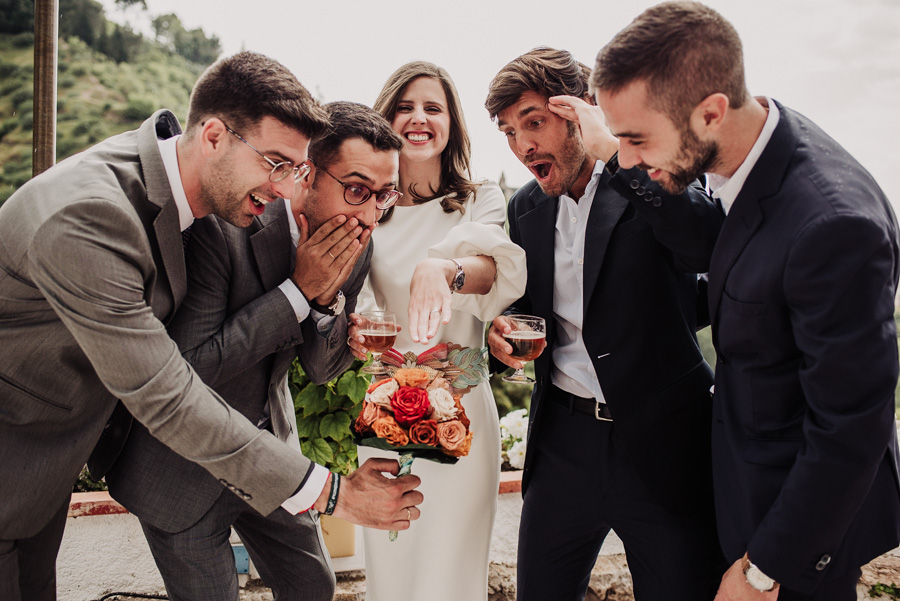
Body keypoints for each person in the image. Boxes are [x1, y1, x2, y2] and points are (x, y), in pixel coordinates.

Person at [0, 52, 420, 601]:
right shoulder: (91, 217)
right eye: (277, 163)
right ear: (216, 136)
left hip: (45, 467)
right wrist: (333, 491)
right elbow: (170, 392)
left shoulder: (178, 194)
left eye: (295, 168)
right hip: (23, 455)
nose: (286, 187)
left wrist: (320, 305)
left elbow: (316, 364)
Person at [590, 3, 900, 599]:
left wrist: (765, 568)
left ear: (711, 111)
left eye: (635, 138)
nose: (624, 159)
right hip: (745, 496)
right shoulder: (753, 148)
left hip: (801, 540)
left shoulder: (832, 225)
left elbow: (849, 428)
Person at [103, 101, 408, 601]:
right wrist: (298, 292)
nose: (371, 215)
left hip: (271, 454)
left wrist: (328, 305)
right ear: (306, 174)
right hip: (181, 466)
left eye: (385, 195)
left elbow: (321, 364)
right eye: (357, 190)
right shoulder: (222, 225)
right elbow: (191, 368)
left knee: (313, 585)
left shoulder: (356, 242)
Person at [484, 47, 726, 601]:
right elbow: (521, 309)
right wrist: (500, 338)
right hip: (563, 443)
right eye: (509, 132)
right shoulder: (524, 208)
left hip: (662, 447)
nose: (523, 146)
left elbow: (704, 243)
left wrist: (619, 156)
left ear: (581, 111)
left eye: (535, 122)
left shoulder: (652, 171)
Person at [345, 61, 526, 601]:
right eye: (404, 106)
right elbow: (353, 301)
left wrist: (443, 267)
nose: (418, 118)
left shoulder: (480, 199)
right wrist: (354, 329)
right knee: (392, 578)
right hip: (384, 415)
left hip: (462, 417)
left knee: (450, 579)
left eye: (433, 107)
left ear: (453, 123)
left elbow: (494, 269)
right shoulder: (368, 208)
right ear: (387, 119)